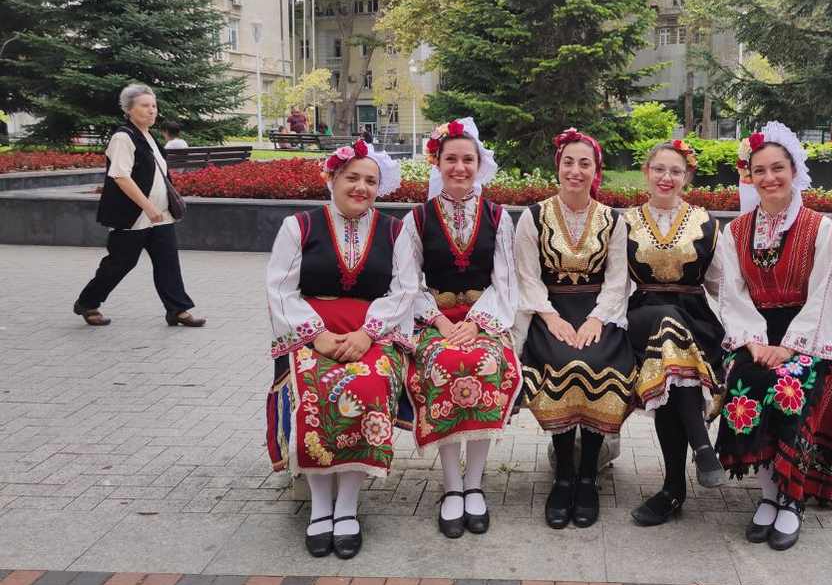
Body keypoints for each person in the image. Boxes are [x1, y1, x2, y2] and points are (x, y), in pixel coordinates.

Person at [715, 122, 832, 552]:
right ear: (749, 176)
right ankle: (769, 493)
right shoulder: (735, 231)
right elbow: (733, 294)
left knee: (789, 387)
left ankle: (792, 498)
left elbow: (826, 294)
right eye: (759, 170)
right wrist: (754, 342)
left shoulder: (820, 228)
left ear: (794, 170)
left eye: (777, 168)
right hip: (756, 333)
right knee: (745, 381)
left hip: (807, 334)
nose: (769, 178)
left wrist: (789, 347)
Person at [265, 141, 410, 559]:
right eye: (352, 178)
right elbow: (279, 288)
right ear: (332, 179)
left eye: (371, 181)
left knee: (368, 386)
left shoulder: (394, 230)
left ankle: (347, 505)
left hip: (371, 334)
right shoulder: (299, 226)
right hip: (313, 331)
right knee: (315, 387)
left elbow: (404, 289)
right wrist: (316, 335)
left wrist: (368, 333)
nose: (361, 187)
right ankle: (320, 506)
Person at [399, 118, 522, 538]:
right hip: (435, 318)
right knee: (442, 365)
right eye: (451, 159)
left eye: (468, 159)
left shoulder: (498, 217)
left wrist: (477, 323)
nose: (459, 167)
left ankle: (475, 483)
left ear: (479, 164)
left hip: (484, 318)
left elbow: (506, 281)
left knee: (485, 364)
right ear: (437, 163)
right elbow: (406, 282)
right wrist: (436, 320)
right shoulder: (418, 219)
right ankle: (452, 484)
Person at [515, 128, 634, 530]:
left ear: (596, 170)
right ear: (557, 166)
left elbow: (618, 279)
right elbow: (528, 277)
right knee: (562, 363)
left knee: (600, 363)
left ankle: (587, 475)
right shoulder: (533, 216)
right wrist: (550, 318)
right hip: (551, 310)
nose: (575, 171)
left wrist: (598, 318)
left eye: (585, 163)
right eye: (568, 162)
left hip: (598, 311)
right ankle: (564, 474)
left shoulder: (613, 220)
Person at [624, 140, 727, 527]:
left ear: (687, 177)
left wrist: (747, 330)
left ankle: (673, 490)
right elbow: (616, 284)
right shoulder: (625, 222)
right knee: (666, 324)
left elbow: (723, 286)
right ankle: (702, 446)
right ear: (646, 172)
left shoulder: (707, 224)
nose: (666, 177)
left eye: (676, 171)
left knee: (674, 371)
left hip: (694, 319)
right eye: (659, 169)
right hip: (641, 316)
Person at [74, 84, 205, 328]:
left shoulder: (149, 137)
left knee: (168, 262)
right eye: (145, 106)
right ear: (129, 110)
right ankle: (87, 302)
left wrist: (160, 207)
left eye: (154, 105)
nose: (152, 110)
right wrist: (148, 207)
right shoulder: (123, 137)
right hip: (133, 215)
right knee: (120, 263)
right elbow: (120, 176)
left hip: (161, 215)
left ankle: (177, 310)